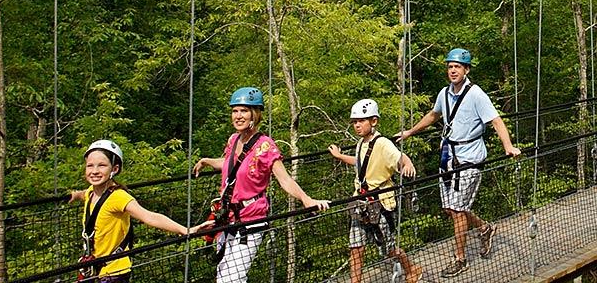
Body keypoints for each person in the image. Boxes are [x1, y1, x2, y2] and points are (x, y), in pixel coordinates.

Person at [398, 48, 521, 278]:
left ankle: (460, 259)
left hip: (470, 159)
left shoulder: (476, 95)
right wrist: (410, 132)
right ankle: (484, 228)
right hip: (448, 157)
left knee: (457, 210)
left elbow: (496, 121)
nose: (452, 70)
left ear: (466, 69)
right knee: (450, 208)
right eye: (450, 66)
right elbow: (434, 115)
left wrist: (508, 146)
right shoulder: (444, 93)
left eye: (457, 67)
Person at [193, 87, 328, 283]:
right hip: (226, 218)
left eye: (244, 111)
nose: (238, 116)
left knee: (233, 279)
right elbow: (231, 164)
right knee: (223, 276)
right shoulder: (233, 140)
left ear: (255, 114)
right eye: (235, 111)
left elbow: (284, 179)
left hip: (251, 220)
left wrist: (306, 199)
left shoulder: (266, 146)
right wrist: (207, 161)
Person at [70, 140, 208, 282]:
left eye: (102, 165)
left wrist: (185, 230)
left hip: (113, 270)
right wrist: (74, 195)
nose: (94, 171)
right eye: (90, 166)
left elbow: (149, 216)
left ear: (114, 169)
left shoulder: (118, 197)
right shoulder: (91, 192)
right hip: (94, 269)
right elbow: (84, 194)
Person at [329, 99, 422, 283]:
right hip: (360, 201)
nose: (357, 125)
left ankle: (412, 269)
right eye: (355, 121)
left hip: (380, 203)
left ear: (374, 121)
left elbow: (399, 157)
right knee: (356, 246)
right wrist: (340, 156)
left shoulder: (382, 143)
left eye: (361, 121)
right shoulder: (361, 143)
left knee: (389, 246)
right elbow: (360, 164)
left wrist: (407, 163)